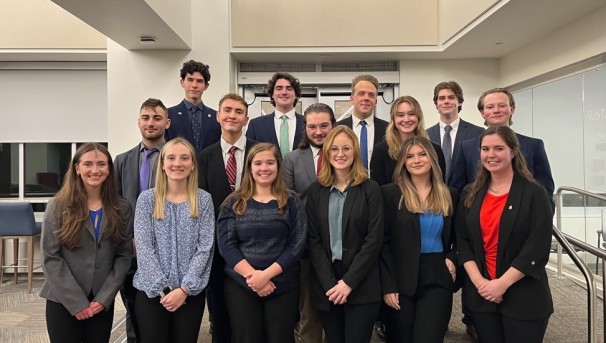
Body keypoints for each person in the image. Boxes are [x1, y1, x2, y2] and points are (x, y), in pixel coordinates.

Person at [456, 126, 553, 343]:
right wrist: (480, 282)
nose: (491, 155)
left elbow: (537, 246)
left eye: (499, 148)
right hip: (482, 295)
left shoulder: (534, 192)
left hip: (523, 294)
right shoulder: (470, 194)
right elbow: (462, 241)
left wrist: (501, 284)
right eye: (485, 149)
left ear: (513, 152)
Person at [41, 143, 133, 343]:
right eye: (88, 164)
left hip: (100, 301)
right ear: (77, 168)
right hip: (63, 300)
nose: (95, 170)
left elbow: (123, 257)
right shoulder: (57, 206)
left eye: (101, 164)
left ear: (109, 169)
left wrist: (103, 298)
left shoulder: (122, 208)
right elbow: (51, 258)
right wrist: (76, 302)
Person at [217, 143, 307, 343]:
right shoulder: (233, 202)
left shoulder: (292, 201)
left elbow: (297, 244)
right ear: (249, 168)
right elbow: (227, 246)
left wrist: (265, 276)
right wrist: (254, 278)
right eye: (258, 163)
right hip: (241, 285)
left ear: (278, 166)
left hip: (283, 285)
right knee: (246, 337)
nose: (264, 168)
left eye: (270, 162)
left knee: (280, 338)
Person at [306, 126, 384, 343]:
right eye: (334, 149)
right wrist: (331, 283)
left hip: (362, 282)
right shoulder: (315, 191)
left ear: (355, 152)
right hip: (327, 283)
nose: (340, 154)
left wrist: (348, 282)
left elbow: (374, 239)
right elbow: (313, 241)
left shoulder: (370, 189)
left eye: (346, 148)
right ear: (327, 153)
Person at [133, 138, 215, 343]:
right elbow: (144, 248)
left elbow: (205, 248)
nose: (177, 163)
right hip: (152, 293)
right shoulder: (147, 199)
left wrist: (184, 289)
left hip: (189, 295)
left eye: (184, 158)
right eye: (171, 158)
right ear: (162, 164)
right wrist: (165, 290)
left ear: (193, 164)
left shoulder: (203, 200)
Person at [380, 136, 458, 342]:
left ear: (432, 158)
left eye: (422, 154)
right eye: (410, 156)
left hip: (437, 276)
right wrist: (388, 286)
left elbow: (461, 238)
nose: (417, 160)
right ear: (403, 162)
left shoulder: (450, 195)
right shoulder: (390, 194)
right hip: (400, 277)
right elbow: (383, 243)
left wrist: (452, 257)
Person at [198, 93, 257, 343]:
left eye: (239, 111)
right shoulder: (203, 157)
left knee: (252, 318)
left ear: (246, 119)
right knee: (220, 316)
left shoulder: (262, 152)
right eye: (228, 110)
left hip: (256, 247)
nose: (233, 115)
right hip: (218, 249)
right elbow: (201, 205)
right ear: (218, 116)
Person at [114, 97, 171, 342]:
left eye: (157, 118)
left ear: (167, 123)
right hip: (132, 249)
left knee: (164, 311)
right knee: (133, 307)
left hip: (166, 250)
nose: (151, 123)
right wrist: (128, 239)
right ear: (138, 122)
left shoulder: (177, 158)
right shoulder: (122, 160)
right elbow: (115, 205)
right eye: (146, 118)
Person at [451, 88, 555, 212]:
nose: (496, 110)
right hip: (479, 221)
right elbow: (459, 191)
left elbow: (545, 191)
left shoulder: (534, 145)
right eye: (490, 107)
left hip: (522, 222)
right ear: (482, 112)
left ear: (512, 109)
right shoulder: (466, 147)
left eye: (502, 105)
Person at [283, 102, 336, 343]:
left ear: (333, 125)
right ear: (305, 128)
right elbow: (288, 201)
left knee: (340, 305)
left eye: (324, 125)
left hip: (341, 242)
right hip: (306, 243)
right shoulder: (292, 159)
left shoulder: (346, 155)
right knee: (308, 308)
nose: (318, 132)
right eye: (312, 126)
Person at [370, 95, 446, 186]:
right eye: (400, 115)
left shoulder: (434, 150)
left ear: (419, 117)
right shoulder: (380, 150)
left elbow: (440, 184)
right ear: (393, 119)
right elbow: (378, 189)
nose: (406, 119)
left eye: (411, 114)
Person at [426, 81, 484, 185]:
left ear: (460, 102)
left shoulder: (477, 133)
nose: (446, 101)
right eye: (442, 98)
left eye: (451, 97)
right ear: (436, 104)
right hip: (434, 196)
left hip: (466, 196)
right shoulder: (425, 135)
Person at [165, 60, 221, 154]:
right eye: (190, 80)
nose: (194, 85)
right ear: (182, 82)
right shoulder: (168, 115)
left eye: (199, 81)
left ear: (206, 86)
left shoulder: (216, 117)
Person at [245, 72, 305, 157]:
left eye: (289, 88)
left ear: (296, 95)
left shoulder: (308, 124)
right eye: (279, 88)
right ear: (272, 94)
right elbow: (249, 158)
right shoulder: (256, 125)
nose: (284, 92)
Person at [337, 74, 389, 171]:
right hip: (348, 184)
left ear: (376, 101)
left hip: (379, 185)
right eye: (361, 94)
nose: (366, 98)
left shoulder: (389, 129)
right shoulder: (337, 128)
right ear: (351, 99)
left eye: (371, 95)